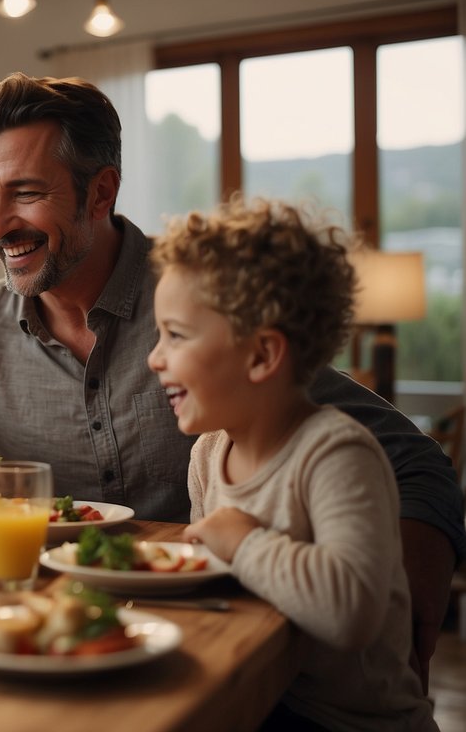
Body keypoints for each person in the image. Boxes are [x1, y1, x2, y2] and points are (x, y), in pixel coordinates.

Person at [0, 71, 465, 687]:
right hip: (51, 636)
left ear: (100, 192)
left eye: (24, 194)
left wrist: (413, 585)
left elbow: (413, 462)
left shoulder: (202, 301)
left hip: (206, 646)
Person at [149, 198, 435, 730]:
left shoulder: (335, 455)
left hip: (354, 724)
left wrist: (244, 541)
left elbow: (351, 612)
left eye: (176, 335)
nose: (154, 357)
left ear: (261, 356)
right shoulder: (209, 455)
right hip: (264, 700)